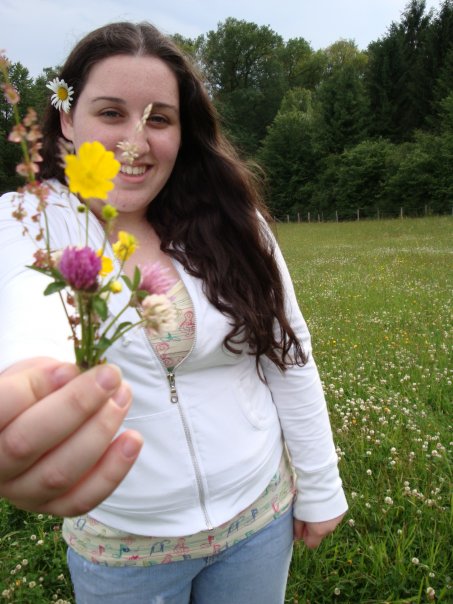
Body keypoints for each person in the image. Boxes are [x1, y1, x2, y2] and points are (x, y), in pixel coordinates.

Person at [0, 21, 347, 604]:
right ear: (67, 118)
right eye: (111, 113)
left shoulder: (235, 225)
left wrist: (320, 487)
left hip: (257, 519)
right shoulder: (29, 221)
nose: (135, 141)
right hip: (126, 550)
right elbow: (21, 310)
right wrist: (23, 390)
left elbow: (289, 354)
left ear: (183, 133)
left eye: (159, 118)